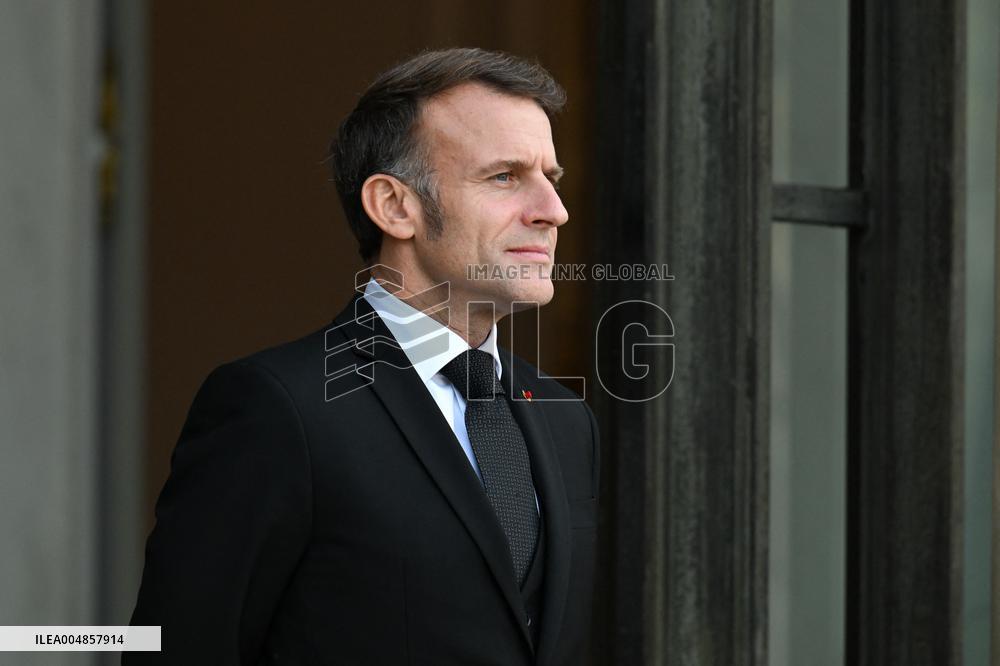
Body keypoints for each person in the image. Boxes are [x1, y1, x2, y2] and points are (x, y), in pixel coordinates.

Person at [127, 47, 600, 666]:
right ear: (394, 206)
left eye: (552, 179)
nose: (552, 212)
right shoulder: (278, 408)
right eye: (505, 176)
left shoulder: (566, 420)